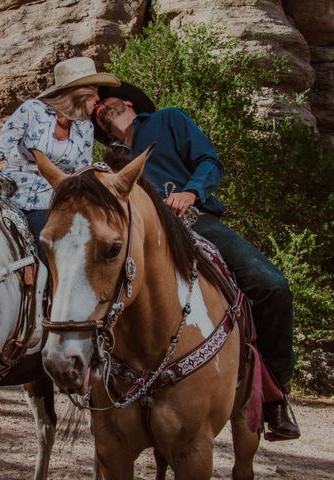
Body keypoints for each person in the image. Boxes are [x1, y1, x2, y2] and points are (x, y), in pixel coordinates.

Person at [93, 81, 300, 440]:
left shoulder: (167, 120)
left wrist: (191, 192)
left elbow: (209, 160)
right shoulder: (106, 159)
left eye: (107, 100)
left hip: (193, 222)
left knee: (271, 284)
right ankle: (91, 375)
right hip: (138, 238)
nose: (100, 106)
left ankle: (275, 396)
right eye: (95, 107)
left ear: (129, 103)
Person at [0, 56, 120, 261]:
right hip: (11, 195)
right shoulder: (32, 110)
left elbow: (80, 175)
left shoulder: (85, 129)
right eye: (95, 93)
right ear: (82, 92)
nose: (97, 101)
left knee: (55, 254)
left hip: (50, 204)